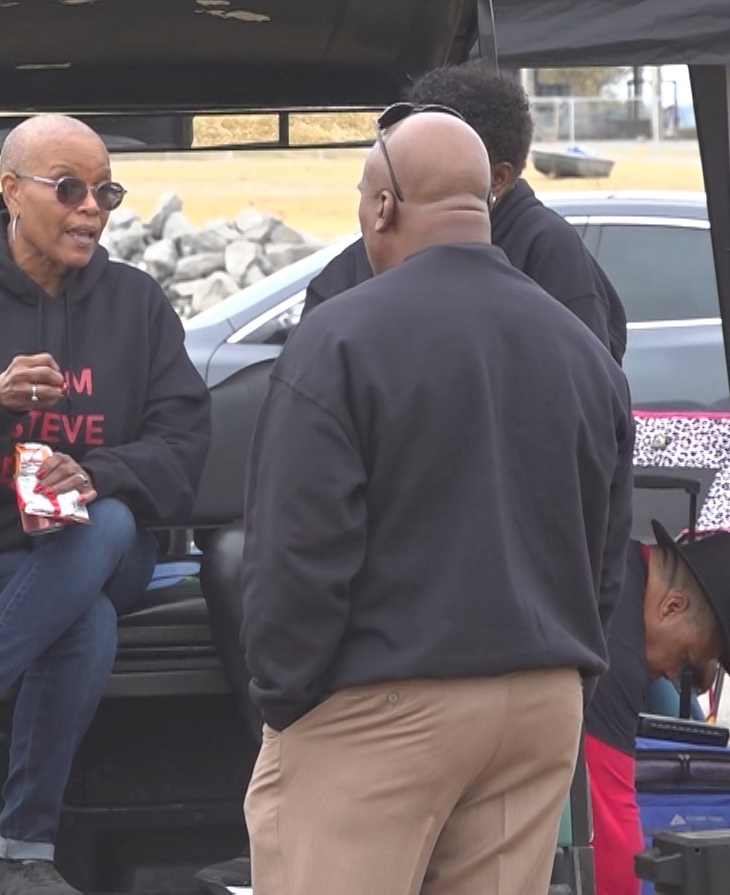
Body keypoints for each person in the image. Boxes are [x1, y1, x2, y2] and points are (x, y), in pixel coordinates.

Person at [199, 64, 632, 893]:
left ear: (382, 208)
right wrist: (565, 671)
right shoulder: (578, 344)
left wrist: (287, 703)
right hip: (540, 702)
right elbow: (604, 539)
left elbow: (297, 547)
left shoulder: (340, 339)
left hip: (385, 700)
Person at [0, 114, 212, 895]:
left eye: (107, 191)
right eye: (69, 189)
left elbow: (184, 449)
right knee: (80, 617)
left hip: (104, 551)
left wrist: (94, 473)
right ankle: (22, 853)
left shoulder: (136, 304)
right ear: (12, 191)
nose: (91, 207)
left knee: (113, 517)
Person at [303, 63, 627, 362]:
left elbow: (589, 390)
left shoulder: (548, 248)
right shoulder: (369, 251)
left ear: (496, 179)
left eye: (437, 156)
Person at [584, 521, 730, 895]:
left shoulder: (612, 555)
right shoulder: (618, 650)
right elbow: (607, 817)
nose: (670, 676)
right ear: (671, 607)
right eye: (684, 660)